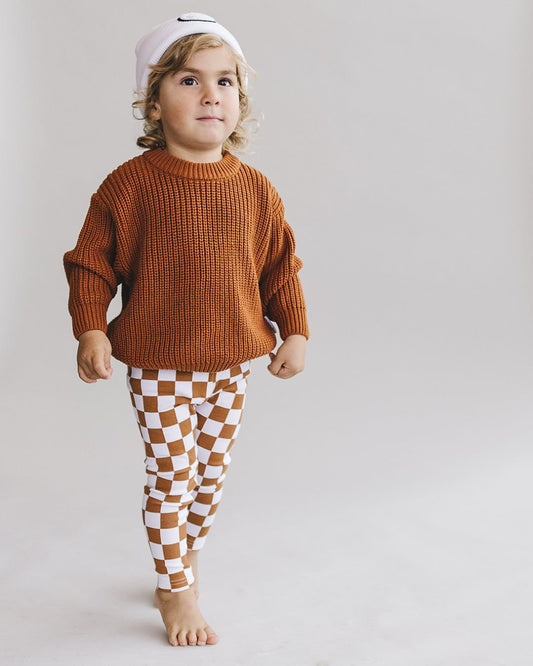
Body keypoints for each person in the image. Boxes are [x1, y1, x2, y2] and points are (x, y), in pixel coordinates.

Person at [62, 12, 310, 648]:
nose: (210, 95)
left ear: (240, 101)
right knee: (173, 474)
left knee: (210, 479)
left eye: (225, 81)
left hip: (232, 365)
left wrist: (295, 329)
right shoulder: (130, 186)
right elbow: (91, 263)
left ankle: (184, 556)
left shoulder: (255, 190)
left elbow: (279, 265)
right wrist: (91, 329)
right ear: (154, 102)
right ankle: (174, 587)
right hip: (159, 364)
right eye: (189, 80)